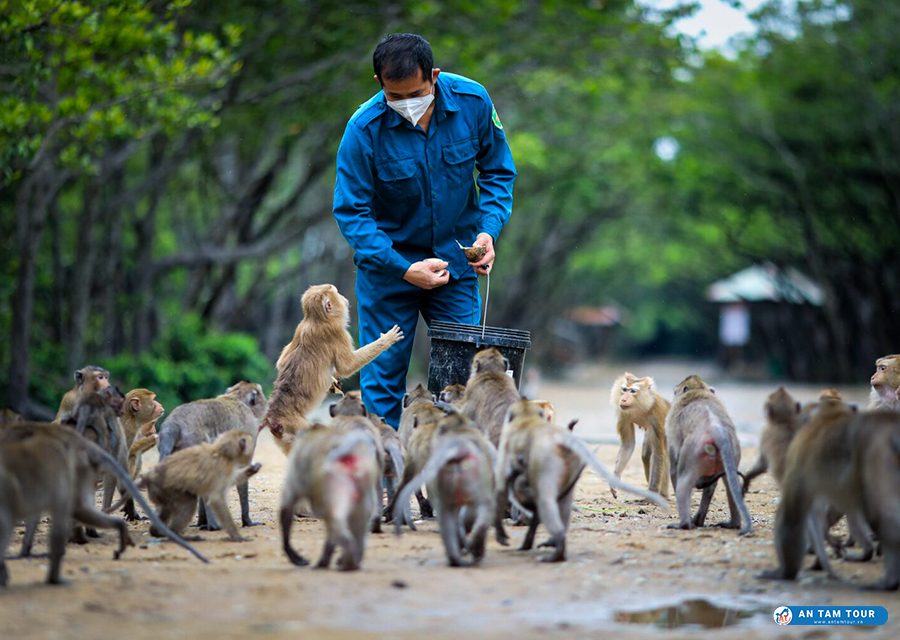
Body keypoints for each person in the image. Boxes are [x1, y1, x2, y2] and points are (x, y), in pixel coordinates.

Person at [333, 33, 516, 427]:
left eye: (414, 93)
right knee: (381, 381)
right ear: (379, 84)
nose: (406, 105)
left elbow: (498, 171)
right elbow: (353, 214)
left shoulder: (473, 102)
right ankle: (386, 479)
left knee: (461, 379)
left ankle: (454, 477)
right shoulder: (362, 129)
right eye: (394, 97)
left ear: (433, 75)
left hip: (456, 266)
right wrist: (402, 268)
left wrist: (488, 232)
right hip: (388, 272)